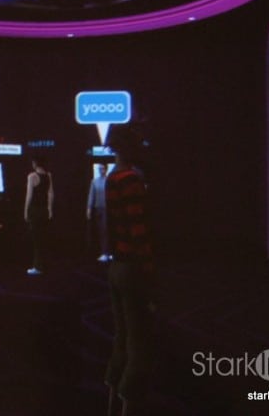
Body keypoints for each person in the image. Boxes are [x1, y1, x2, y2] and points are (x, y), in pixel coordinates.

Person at [103, 125, 154, 416]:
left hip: (116, 265)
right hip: (134, 268)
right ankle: (129, 405)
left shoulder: (112, 177)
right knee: (139, 343)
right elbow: (139, 231)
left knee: (121, 337)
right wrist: (149, 274)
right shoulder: (131, 179)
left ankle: (112, 404)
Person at [24, 155, 54, 275]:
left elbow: (29, 195)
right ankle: (42, 264)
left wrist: (25, 210)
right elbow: (51, 193)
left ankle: (38, 266)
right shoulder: (48, 175)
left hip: (35, 210)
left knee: (36, 240)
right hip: (44, 210)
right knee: (43, 238)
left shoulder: (32, 176)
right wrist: (50, 209)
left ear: (35, 163)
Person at [86, 162, 111, 262]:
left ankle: (108, 252)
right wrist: (89, 208)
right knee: (101, 231)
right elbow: (91, 195)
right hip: (98, 209)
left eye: (103, 168)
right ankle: (104, 252)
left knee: (107, 230)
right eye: (100, 168)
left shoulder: (109, 181)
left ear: (106, 169)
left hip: (108, 209)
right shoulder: (94, 182)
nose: (101, 170)